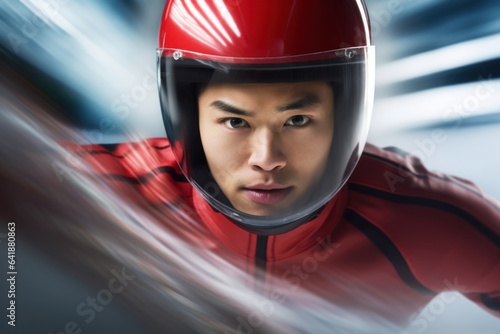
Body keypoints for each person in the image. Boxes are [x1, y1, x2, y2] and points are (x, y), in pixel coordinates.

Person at [75, 0, 500, 330]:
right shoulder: (96, 188)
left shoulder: (426, 220)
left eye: (297, 120)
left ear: (343, 117)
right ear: (191, 121)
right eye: (235, 121)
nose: (267, 159)